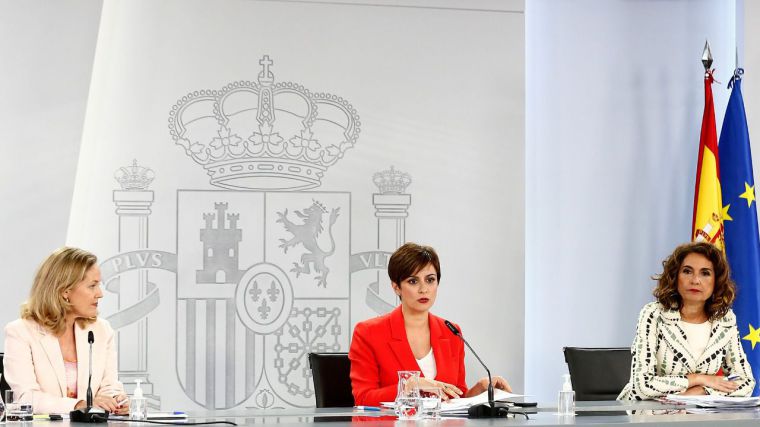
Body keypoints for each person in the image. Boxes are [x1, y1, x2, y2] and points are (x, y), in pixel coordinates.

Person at [349, 242, 511, 406]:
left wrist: (480, 389)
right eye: (413, 281)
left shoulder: (451, 331)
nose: (423, 289)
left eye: (430, 280)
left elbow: (456, 397)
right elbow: (363, 399)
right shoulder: (368, 332)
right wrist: (410, 385)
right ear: (396, 287)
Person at [618, 242, 755, 400]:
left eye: (705, 273)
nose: (695, 280)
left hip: (699, 416)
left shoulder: (724, 319)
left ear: (716, 281)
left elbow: (745, 382)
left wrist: (701, 392)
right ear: (675, 276)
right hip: (647, 414)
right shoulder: (653, 314)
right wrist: (698, 379)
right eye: (687, 271)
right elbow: (642, 386)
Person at [3, 247, 129, 414]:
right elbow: (26, 398)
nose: (100, 294)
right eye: (92, 286)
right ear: (65, 291)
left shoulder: (101, 330)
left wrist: (114, 402)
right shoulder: (20, 332)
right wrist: (79, 405)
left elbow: (109, 386)